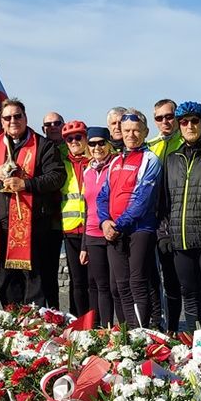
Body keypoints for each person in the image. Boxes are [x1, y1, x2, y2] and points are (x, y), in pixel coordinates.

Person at [0, 98, 66, 308]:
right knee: (6, 276)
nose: (13, 121)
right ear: (1, 121)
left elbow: (57, 177)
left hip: (35, 223)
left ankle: (35, 325)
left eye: (17, 116)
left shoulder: (43, 145)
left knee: (34, 277)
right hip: (2, 222)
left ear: (25, 118)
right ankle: (11, 320)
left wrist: (26, 184)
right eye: (7, 117)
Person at [97, 109, 162, 328]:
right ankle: (129, 330)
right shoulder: (114, 161)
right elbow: (103, 195)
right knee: (121, 285)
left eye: (136, 130)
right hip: (114, 230)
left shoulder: (150, 159)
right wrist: (105, 222)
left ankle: (142, 332)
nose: (131, 135)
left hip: (139, 229)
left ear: (145, 132)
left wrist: (119, 224)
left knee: (137, 282)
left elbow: (143, 198)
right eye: (126, 130)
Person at [160, 101, 201, 330]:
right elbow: (163, 202)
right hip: (179, 239)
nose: (189, 125)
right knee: (189, 292)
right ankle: (197, 339)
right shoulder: (172, 159)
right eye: (183, 122)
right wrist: (164, 234)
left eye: (194, 121)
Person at [147, 99, 184, 333]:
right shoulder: (150, 146)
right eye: (159, 118)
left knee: (175, 280)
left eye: (169, 116)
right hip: (153, 221)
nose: (165, 122)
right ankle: (157, 325)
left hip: (178, 219)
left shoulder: (187, 141)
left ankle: (174, 328)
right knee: (153, 279)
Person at [82, 126, 121, 326]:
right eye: (92, 143)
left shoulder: (116, 165)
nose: (97, 147)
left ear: (109, 144)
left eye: (101, 143)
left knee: (117, 286)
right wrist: (83, 246)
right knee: (100, 285)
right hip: (92, 235)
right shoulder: (87, 171)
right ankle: (103, 328)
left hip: (113, 233)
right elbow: (87, 208)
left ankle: (123, 327)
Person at [59, 120, 90, 316]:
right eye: (70, 139)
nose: (74, 141)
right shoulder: (62, 165)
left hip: (93, 229)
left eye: (78, 137)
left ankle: (96, 322)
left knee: (95, 281)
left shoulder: (95, 162)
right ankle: (77, 320)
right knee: (77, 281)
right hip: (70, 229)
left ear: (86, 138)